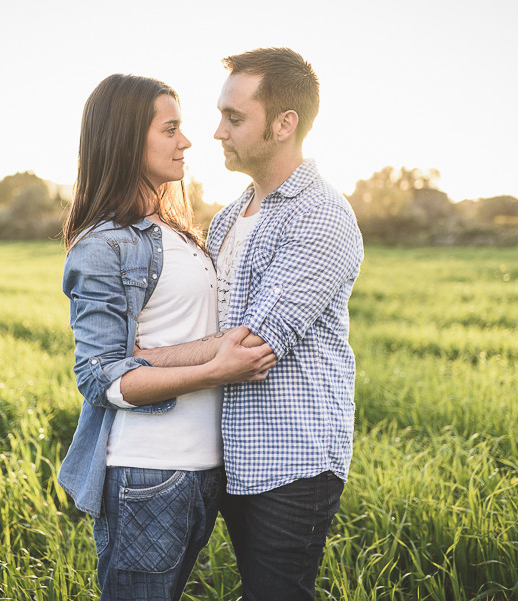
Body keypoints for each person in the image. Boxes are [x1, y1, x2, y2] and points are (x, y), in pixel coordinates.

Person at [136, 48, 364, 600]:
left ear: (285, 124)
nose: (216, 132)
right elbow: (211, 325)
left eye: (234, 118)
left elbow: (253, 344)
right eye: (220, 115)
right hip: (230, 452)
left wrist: (142, 360)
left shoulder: (321, 215)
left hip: (292, 459)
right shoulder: (230, 216)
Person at [56, 73, 277, 601]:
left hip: (206, 472)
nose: (187, 141)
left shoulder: (180, 234)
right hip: (148, 472)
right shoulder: (103, 246)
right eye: (170, 129)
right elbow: (99, 377)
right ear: (128, 139)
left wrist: (219, 352)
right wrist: (213, 371)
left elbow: (200, 335)